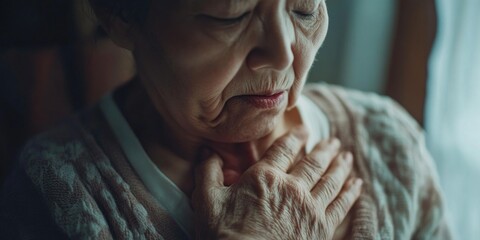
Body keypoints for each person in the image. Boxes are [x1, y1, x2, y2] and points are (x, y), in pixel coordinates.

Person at [0, 0, 451, 239]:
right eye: (229, 16)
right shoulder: (59, 194)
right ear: (118, 15)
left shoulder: (387, 140)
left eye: (305, 8)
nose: (283, 51)